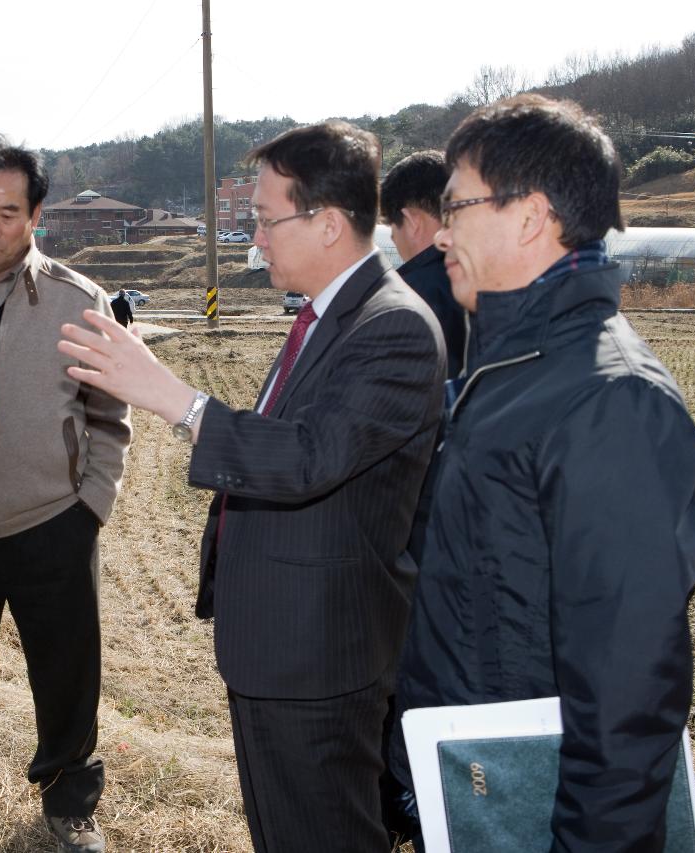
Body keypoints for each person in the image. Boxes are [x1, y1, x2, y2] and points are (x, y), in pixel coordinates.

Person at [58, 121, 444, 852]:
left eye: (266, 220)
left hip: (321, 654)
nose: (256, 238)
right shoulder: (329, 319)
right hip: (279, 644)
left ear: (329, 223)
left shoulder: (393, 327)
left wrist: (171, 396)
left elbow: (305, 457)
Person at [391, 94, 695, 850]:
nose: (441, 235)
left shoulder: (610, 401)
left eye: (456, 205)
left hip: (540, 802)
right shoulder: (511, 367)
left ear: (530, 216)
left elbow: (628, 697)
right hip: (479, 783)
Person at [0, 136, 131, 853]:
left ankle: (69, 802)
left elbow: (109, 417)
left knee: (68, 672)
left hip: (53, 520)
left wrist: (89, 505)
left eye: (8, 211)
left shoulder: (79, 298)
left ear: (36, 213)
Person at [380, 150, 466, 379]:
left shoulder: (402, 299)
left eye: (392, 226)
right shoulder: (484, 280)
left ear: (411, 221)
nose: (392, 238)